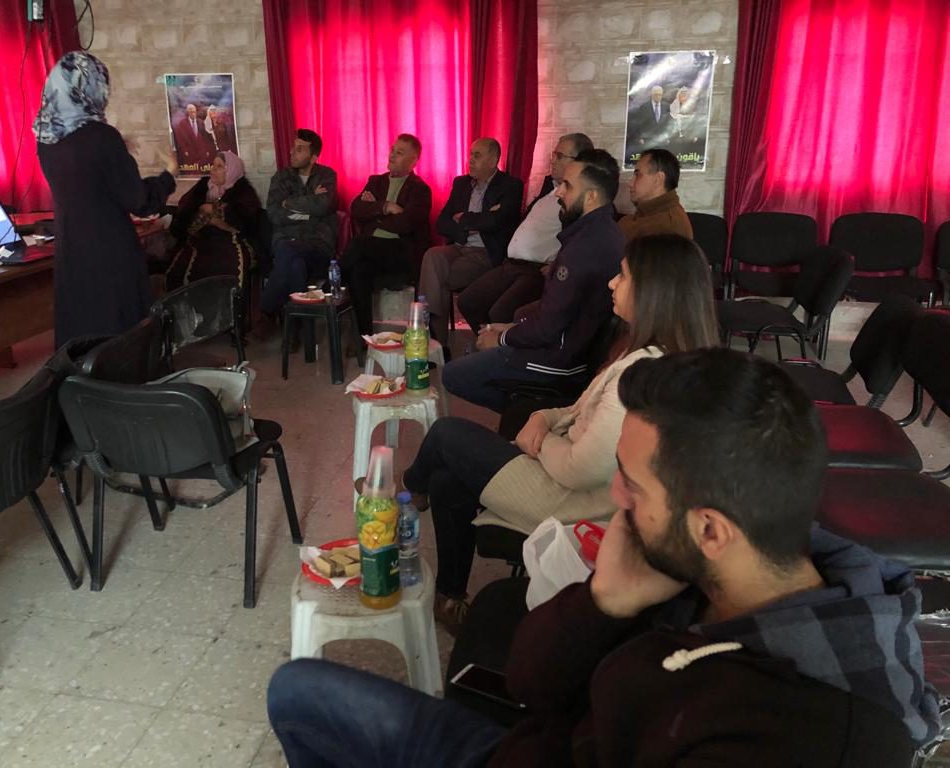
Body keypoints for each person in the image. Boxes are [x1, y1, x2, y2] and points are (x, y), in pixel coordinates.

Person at [267, 347, 941, 768]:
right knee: (296, 690)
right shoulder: (702, 567)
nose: (615, 497)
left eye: (633, 486)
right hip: (530, 745)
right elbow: (530, 682)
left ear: (710, 529)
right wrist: (602, 602)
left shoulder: (802, 736)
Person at [408, 234, 719, 629]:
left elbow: (580, 469)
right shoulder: (648, 352)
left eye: (623, 276)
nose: (611, 283)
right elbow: (578, 409)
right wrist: (544, 418)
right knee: (446, 481)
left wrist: (541, 442)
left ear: (655, 292)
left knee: (445, 433)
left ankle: (408, 488)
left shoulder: (643, 373)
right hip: (566, 473)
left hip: (574, 499)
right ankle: (449, 596)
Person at [441, 149, 623, 412]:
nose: (559, 192)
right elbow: (556, 312)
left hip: (562, 360)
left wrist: (503, 339)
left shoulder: (585, 247)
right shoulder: (601, 231)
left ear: (592, 196)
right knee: (485, 338)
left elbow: (549, 329)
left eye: (567, 186)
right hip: (566, 346)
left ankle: (532, 414)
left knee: (453, 375)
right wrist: (511, 328)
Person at [35, 50, 176, 348]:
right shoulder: (102, 137)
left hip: (72, 248)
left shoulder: (46, 138)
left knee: (83, 323)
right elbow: (140, 201)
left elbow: (84, 175)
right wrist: (169, 174)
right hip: (109, 250)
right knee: (118, 330)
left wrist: (116, 149)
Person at [457, 133, 593, 334]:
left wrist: (558, 263)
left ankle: (500, 345)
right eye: (553, 154)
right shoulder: (550, 191)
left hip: (535, 271)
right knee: (468, 301)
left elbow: (580, 237)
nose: (552, 160)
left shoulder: (577, 200)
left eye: (559, 156)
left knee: (501, 312)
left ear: (580, 162)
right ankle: (489, 342)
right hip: (510, 264)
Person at [418, 138, 524, 355]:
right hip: (458, 246)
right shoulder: (461, 184)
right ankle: (437, 343)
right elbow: (442, 222)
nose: (470, 160)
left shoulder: (511, 186)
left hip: (487, 253)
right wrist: (469, 226)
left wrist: (464, 218)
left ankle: (434, 343)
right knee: (432, 255)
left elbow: (497, 221)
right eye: (470, 154)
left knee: (435, 278)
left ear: (493, 160)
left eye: (477, 155)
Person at [340, 134, 432, 338]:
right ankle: (364, 337)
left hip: (399, 252)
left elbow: (406, 224)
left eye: (399, 152)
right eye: (392, 150)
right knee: (359, 271)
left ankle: (333, 284)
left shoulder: (420, 189)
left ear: (413, 161)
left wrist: (373, 213)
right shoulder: (376, 182)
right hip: (371, 252)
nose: (392, 155)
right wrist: (386, 207)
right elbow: (356, 209)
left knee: (359, 243)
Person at [260, 129, 338, 318]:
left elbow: (323, 206)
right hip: (286, 240)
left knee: (288, 253)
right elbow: (274, 213)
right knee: (295, 265)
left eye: (300, 149)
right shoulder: (281, 177)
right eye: (293, 147)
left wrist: (289, 203)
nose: (292, 152)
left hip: (317, 243)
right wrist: (309, 209)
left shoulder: (327, 176)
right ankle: (300, 326)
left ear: (313, 157)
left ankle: (266, 309)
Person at [164, 150, 261, 291]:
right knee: (182, 268)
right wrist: (205, 213)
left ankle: (225, 304)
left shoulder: (243, 191)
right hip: (200, 240)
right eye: (213, 165)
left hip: (230, 242)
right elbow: (185, 211)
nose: (213, 170)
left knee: (226, 267)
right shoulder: (203, 186)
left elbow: (247, 223)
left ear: (231, 170)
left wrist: (216, 215)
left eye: (219, 166)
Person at [618, 148, 693, 242]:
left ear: (658, 179)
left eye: (638, 175)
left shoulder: (667, 228)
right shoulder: (648, 212)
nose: (630, 183)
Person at [172, 103, 216, 171]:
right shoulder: (182, 124)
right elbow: (181, 140)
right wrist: (185, 151)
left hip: (201, 153)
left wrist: (207, 150)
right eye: (191, 112)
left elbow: (206, 138)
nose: (193, 114)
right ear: (188, 113)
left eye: (194, 112)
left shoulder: (201, 123)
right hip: (190, 153)